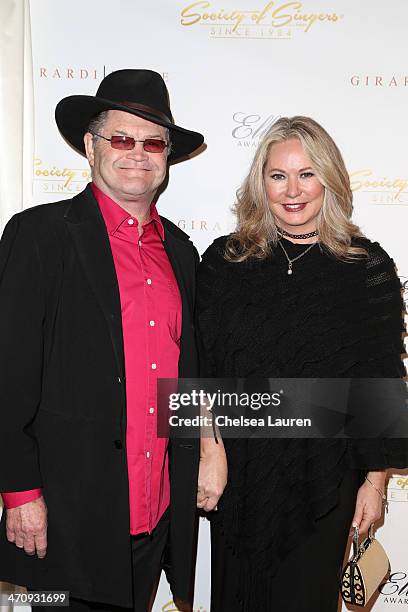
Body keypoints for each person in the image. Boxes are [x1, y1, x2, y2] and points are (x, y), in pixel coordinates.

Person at [0, 69, 204, 612]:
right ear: (91, 148)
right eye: (121, 138)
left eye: (153, 142)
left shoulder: (182, 253)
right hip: (62, 522)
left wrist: (208, 446)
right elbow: (8, 375)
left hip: (154, 518)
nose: (138, 153)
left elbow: (186, 377)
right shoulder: (38, 237)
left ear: (166, 157)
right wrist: (20, 493)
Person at [196, 116, 408, 611]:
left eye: (307, 174)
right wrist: (210, 451)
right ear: (260, 183)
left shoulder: (367, 268)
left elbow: (380, 380)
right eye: (278, 175)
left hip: (325, 485)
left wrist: (374, 484)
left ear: (329, 180)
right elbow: (200, 366)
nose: (293, 190)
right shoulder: (224, 263)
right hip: (238, 480)